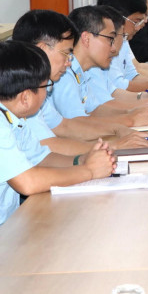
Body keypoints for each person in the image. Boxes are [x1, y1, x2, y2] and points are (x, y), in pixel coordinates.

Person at [0, 40, 115, 225]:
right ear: (25, 97)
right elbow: (27, 182)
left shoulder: (14, 119)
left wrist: (81, 159)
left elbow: (41, 158)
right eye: (46, 87)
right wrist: (88, 171)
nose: (47, 94)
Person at [12, 10, 148, 154]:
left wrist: (117, 128)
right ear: (42, 50)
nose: (69, 62)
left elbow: (64, 126)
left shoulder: (40, 84)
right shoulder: (20, 90)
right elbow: (46, 146)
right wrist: (114, 146)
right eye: (66, 53)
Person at [50, 6, 148, 127]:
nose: (113, 48)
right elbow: (77, 125)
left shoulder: (81, 71)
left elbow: (95, 109)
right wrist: (129, 119)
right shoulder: (64, 73)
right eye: (109, 39)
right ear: (86, 38)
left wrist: (133, 112)